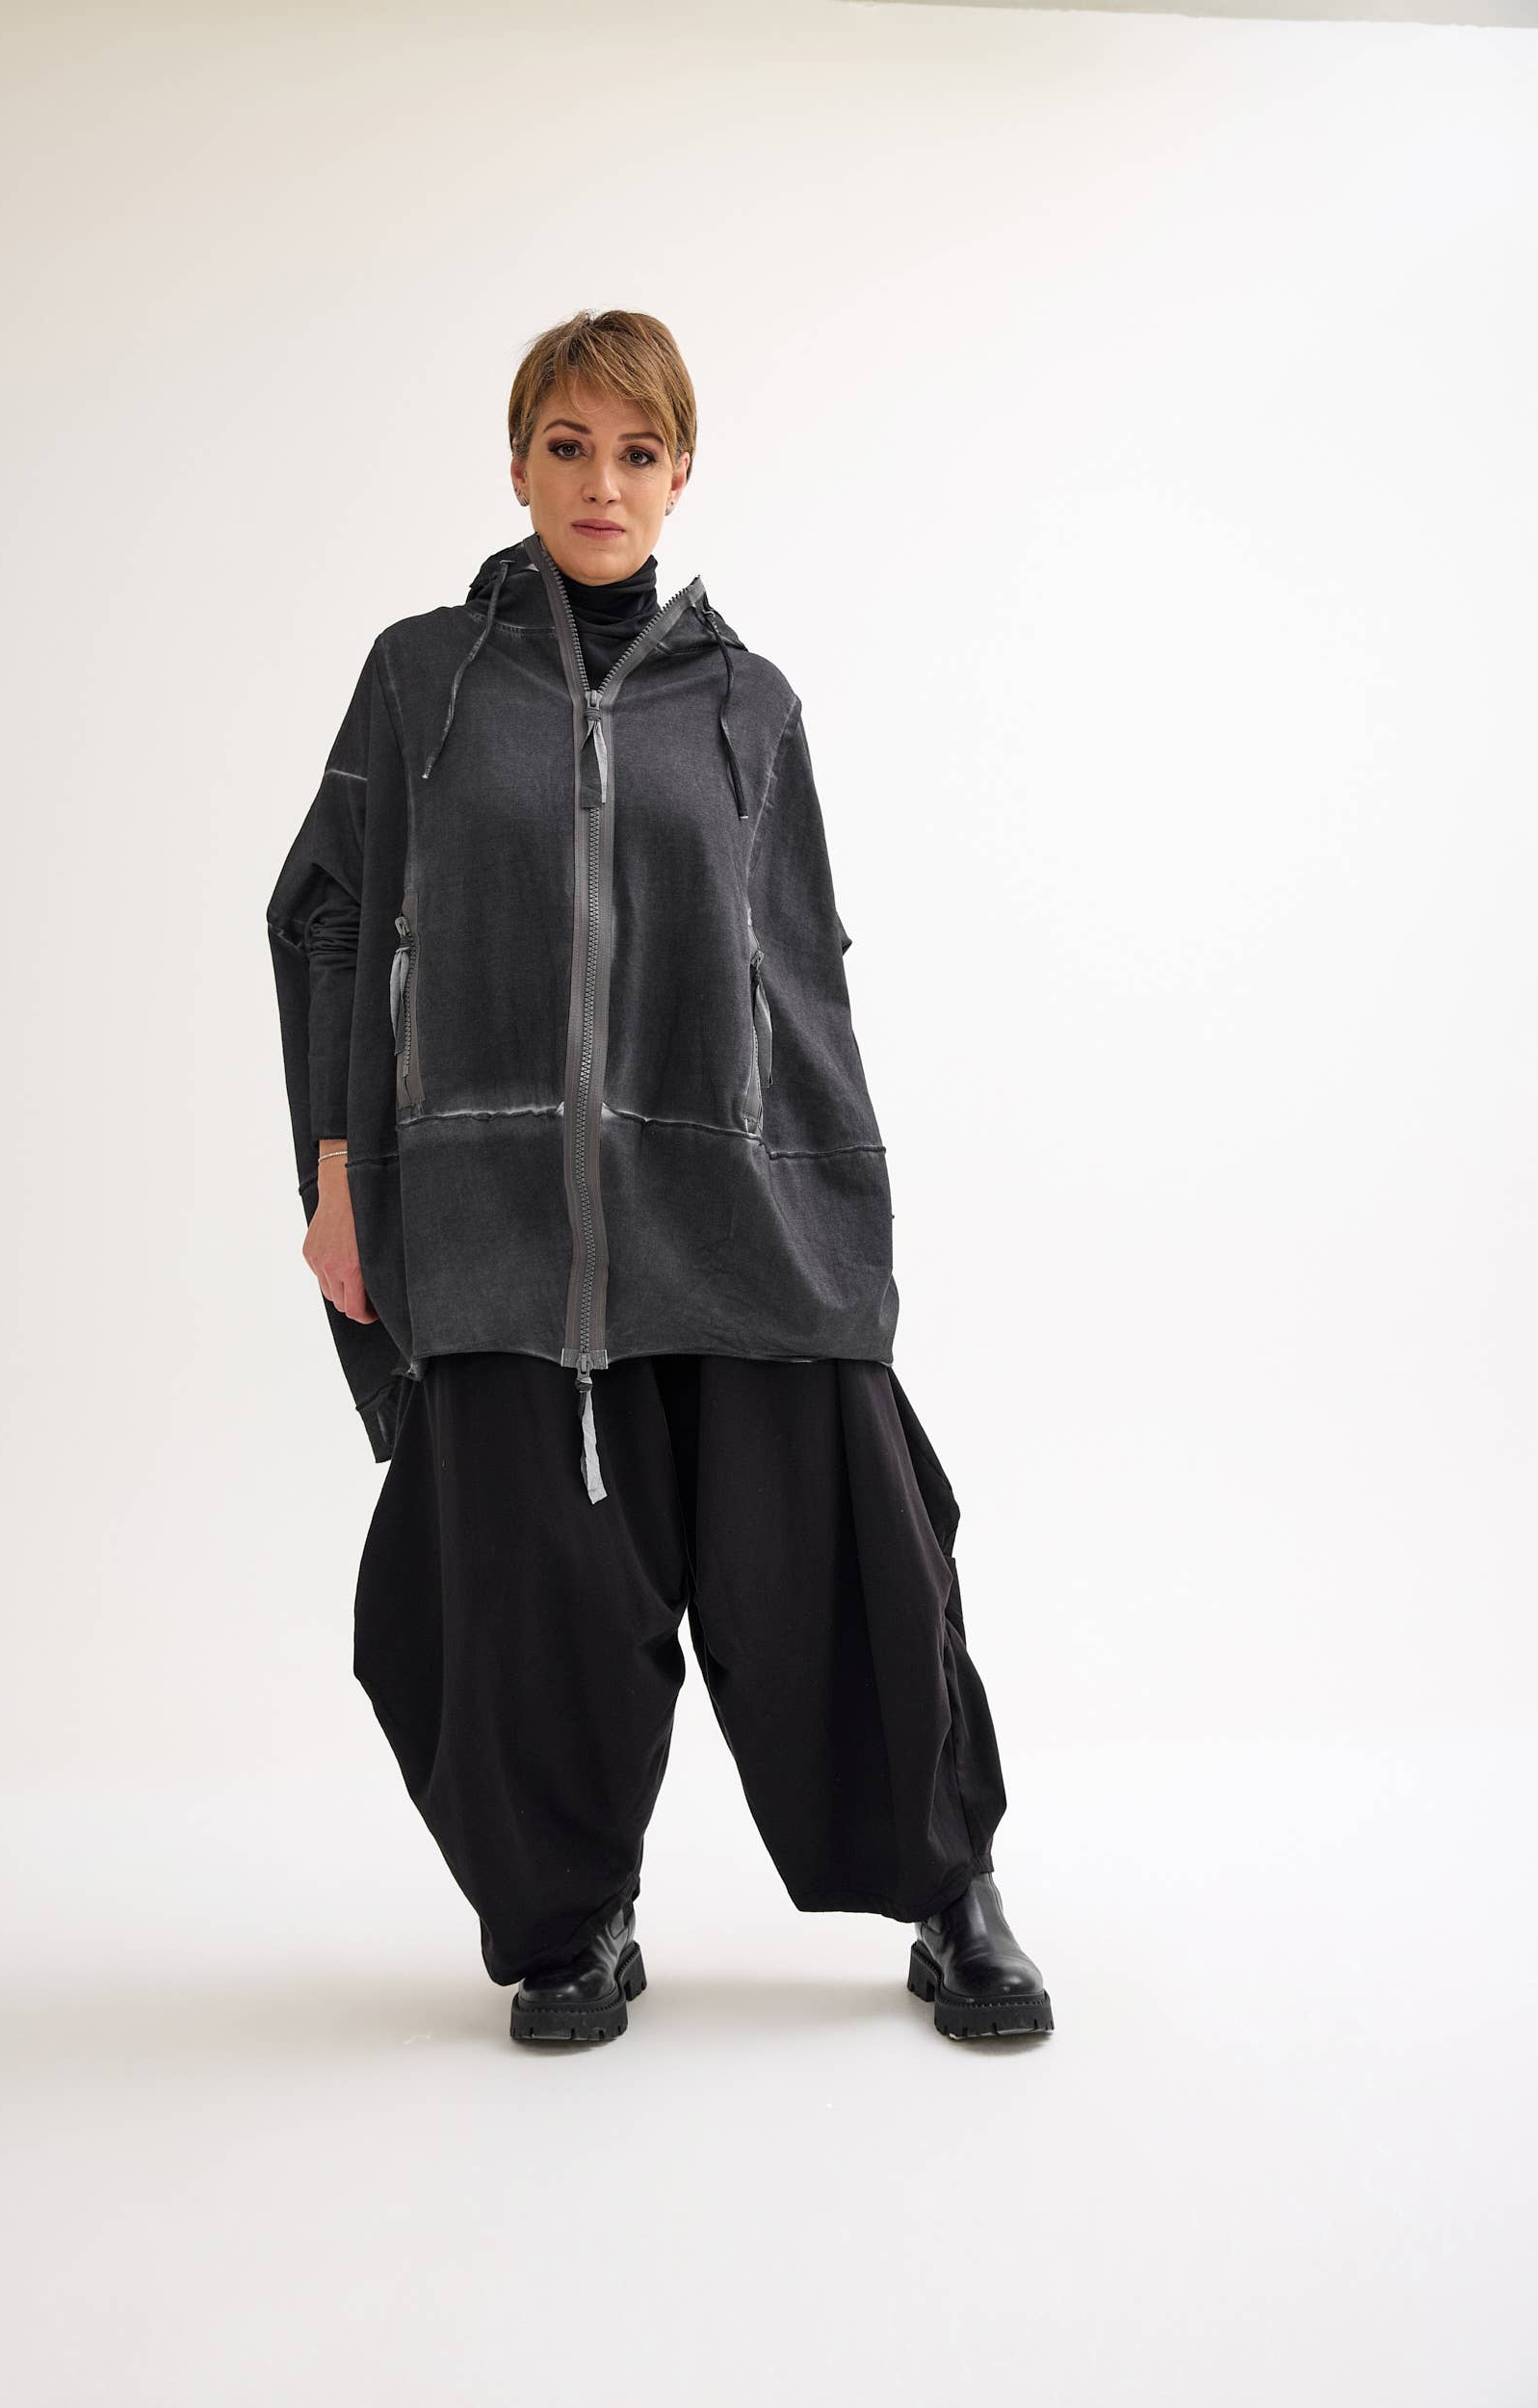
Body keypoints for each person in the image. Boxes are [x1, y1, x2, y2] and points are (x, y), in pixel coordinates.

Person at [265, 308, 1053, 2048]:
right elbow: (325, 916)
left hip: (727, 1216)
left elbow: (803, 973)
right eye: (568, 447)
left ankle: (952, 1893)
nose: (601, 484)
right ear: (519, 465)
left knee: (848, 1565)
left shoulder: (748, 705)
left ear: (681, 474)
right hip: (497, 1225)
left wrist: (841, 1225)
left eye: (636, 452)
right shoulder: (421, 681)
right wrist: (337, 1172)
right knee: (522, 1598)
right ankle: (574, 1918)